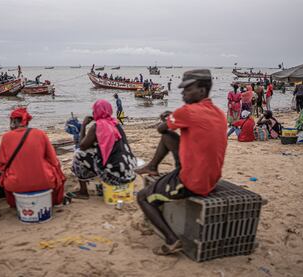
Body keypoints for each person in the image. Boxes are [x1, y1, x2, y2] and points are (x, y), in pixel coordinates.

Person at [135, 69, 227, 255]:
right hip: (211, 177)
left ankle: (172, 240)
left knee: (143, 197)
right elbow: (183, 126)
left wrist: (168, 119)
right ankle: (152, 167)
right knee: (170, 137)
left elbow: (161, 129)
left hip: (193, 182)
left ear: (202, 91)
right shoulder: (218, 112)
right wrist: (173, 118)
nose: (183, 93)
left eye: (188, 89)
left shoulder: (187, 112)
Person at [0, 108, 66, 207]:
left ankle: (15, 203)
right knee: (56, 170)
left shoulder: (6, 137)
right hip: (45, 182)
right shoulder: (40, 133)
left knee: (4, 175)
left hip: (16, 184)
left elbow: (1, 164)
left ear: (13, 121)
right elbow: (53, 160)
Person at [71, 99, 137, 199]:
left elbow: (82, 146)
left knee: (79, 154)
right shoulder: (116, 123)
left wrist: (83, 125)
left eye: (94, 110)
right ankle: (101, 185)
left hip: (114, 178)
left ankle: (83, 192)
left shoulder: (97, 126)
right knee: (100, 155)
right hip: (129, 174)